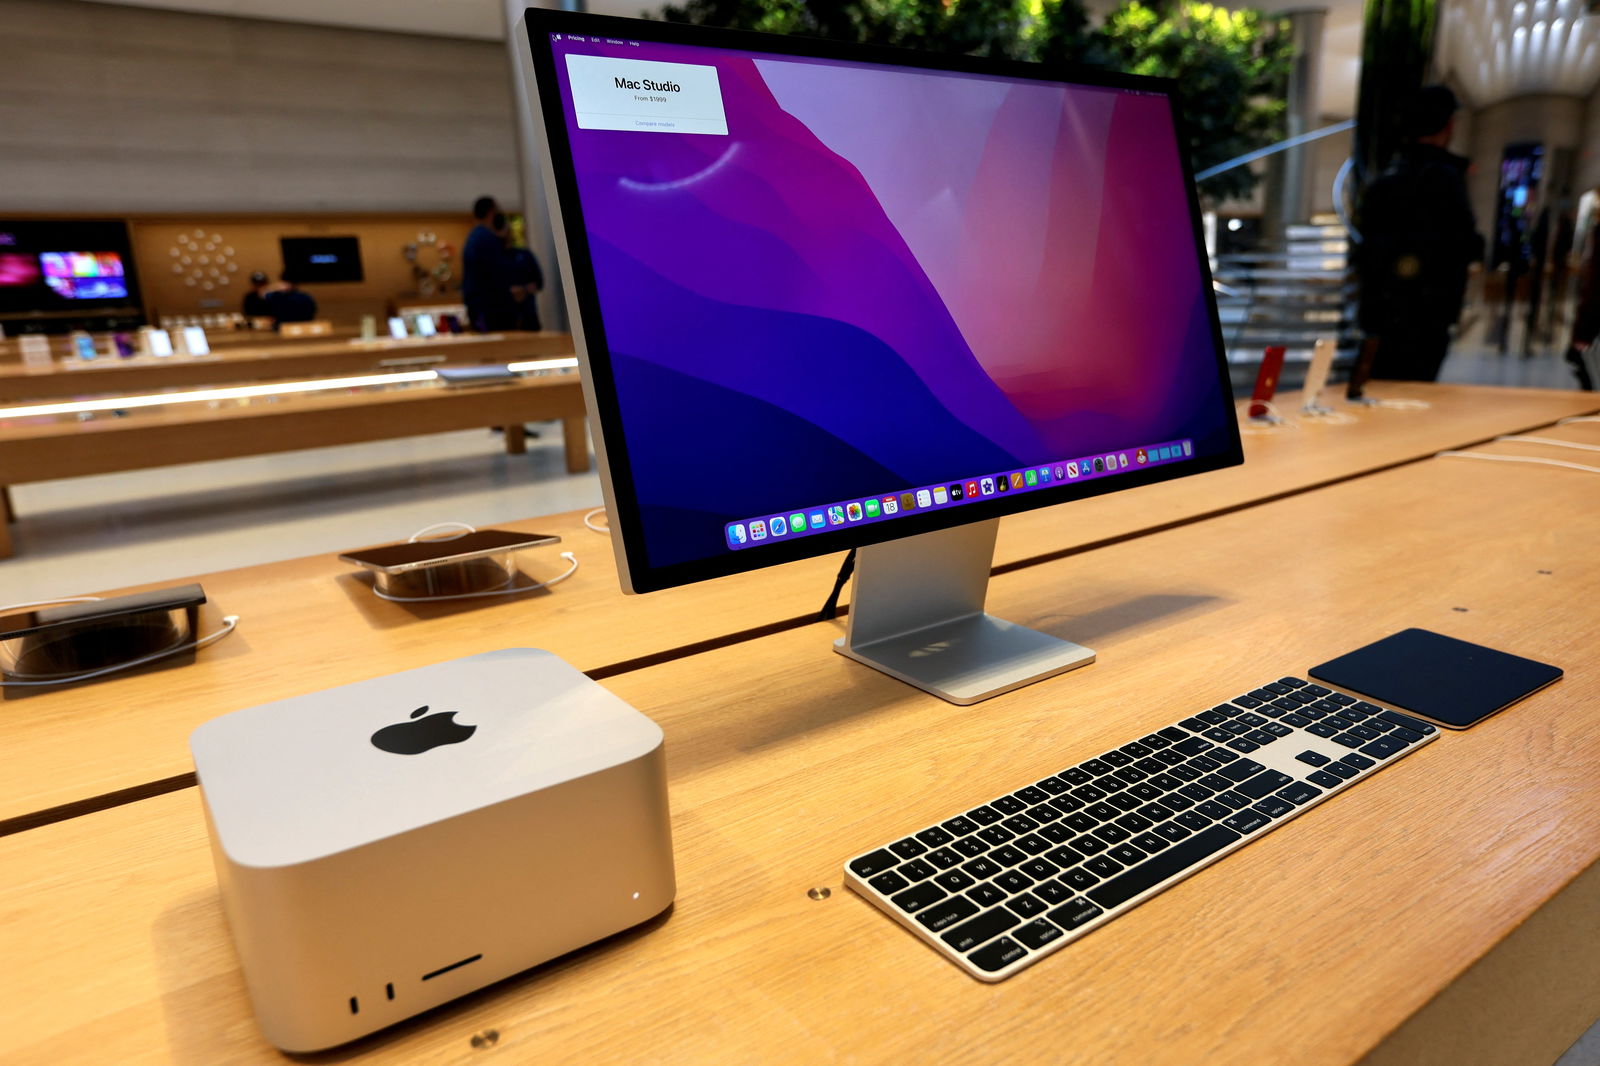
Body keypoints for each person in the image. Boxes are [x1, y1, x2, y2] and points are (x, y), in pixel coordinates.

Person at [1356, 85, 1484, 382]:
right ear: (1448, 125)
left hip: (1381, 314)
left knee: (1381, 389)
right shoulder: (1446, 179)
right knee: (1413, 390)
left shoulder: (1385, 179)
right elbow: (1465, 244)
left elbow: (1368, 253)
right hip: (1428, 316)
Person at [461, 195, 503, 332]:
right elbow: (495, 273)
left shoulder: (473, 237)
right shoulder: (487, 238)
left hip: (477, 304)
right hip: (488, 307)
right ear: (491, 212)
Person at [500, 213, 545, 333]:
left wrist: (523, 290)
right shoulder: (495, 258)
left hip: (528, 314)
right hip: (505, 317)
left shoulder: (524, 255)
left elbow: (539, 282)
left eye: (508, 230)